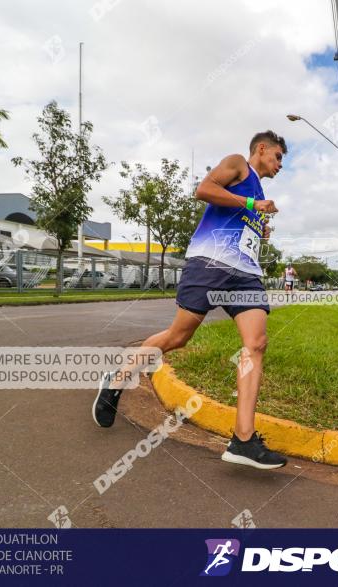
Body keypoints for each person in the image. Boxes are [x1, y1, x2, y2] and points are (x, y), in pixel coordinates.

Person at [92, 130, 288, 470]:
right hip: (209, 264)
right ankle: (117, 378)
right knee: (179, 337)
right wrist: (253, 206)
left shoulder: (258, 190)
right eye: (278, 157)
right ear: (262, 149)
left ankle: (242, 440)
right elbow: (204, 190)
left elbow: (240, 220)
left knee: (256, 343)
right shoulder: (237, 164)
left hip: (245, 273)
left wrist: (259, 227)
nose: (280, 165)